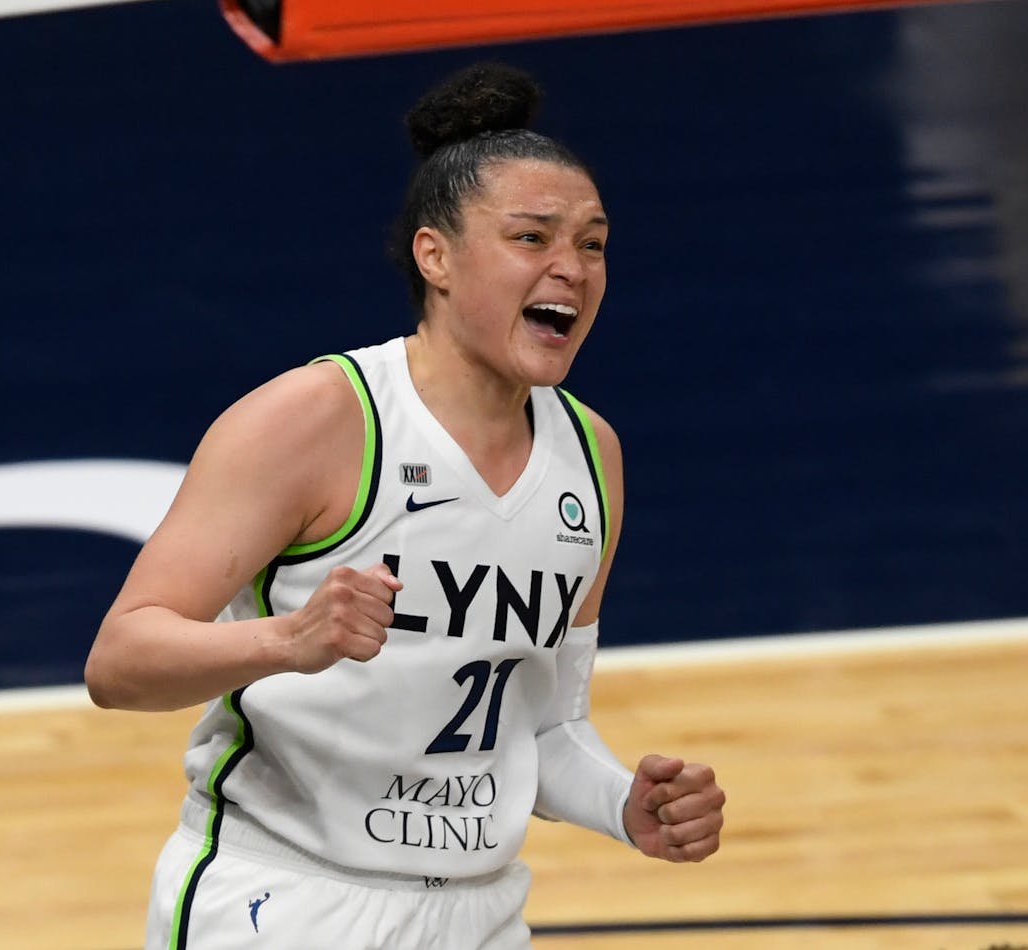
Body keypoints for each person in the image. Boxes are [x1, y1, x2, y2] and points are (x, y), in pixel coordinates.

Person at [85, 61, 726, 950]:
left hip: (481, 912)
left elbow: (544, 724)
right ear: (437, 257)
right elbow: (119, 661)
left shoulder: (593, 457)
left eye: (592, 243)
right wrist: (286, 641)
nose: (571, 270)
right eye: (532, 238)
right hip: (284, 903)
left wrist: (627, 804)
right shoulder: (315, 419)